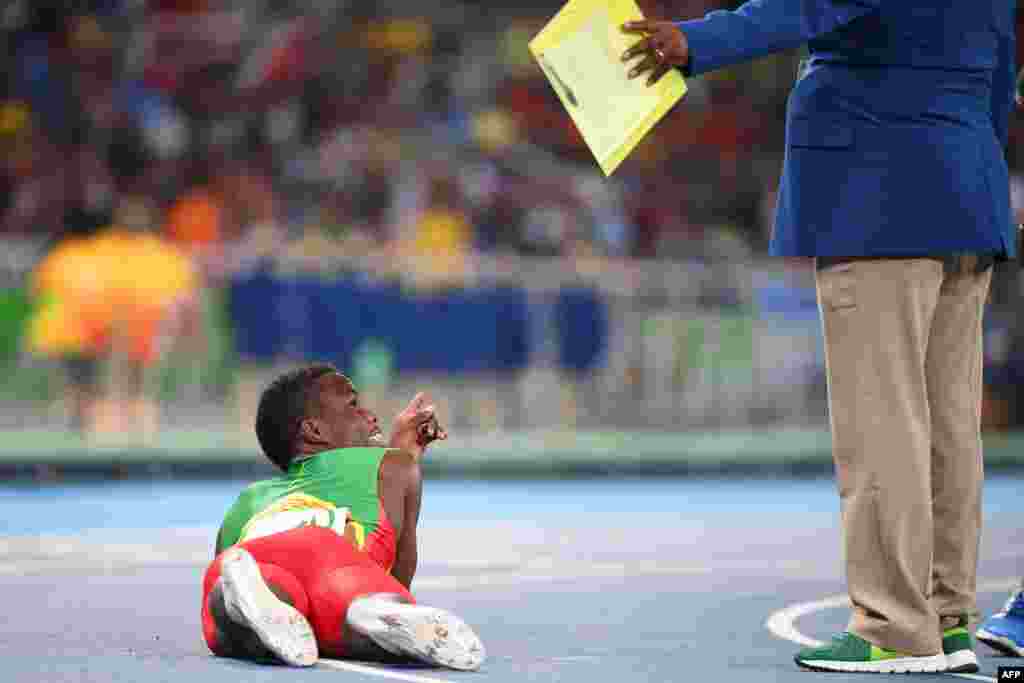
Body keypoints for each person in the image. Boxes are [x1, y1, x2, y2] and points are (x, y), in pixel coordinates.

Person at [622, 0, 1016, 675]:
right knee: (950, 425)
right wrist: (965, 153)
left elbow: (809, 4)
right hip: (965, 184)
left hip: (878, 191)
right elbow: (1004, 65)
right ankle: (947, 618)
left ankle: (894, 627)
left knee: (882, 421)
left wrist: (697, 42)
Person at [200, 364, 485, 670]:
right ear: (314, 431)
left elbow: (223, 558)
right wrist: (406, 455)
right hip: (331, 557)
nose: (371, 415)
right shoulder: (390, 465)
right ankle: (373, 611)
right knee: (351, 598)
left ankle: (240, 599)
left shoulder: (248, 500)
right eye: (353, 405)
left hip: (252, 559)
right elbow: (397, 576)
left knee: (233, 609)